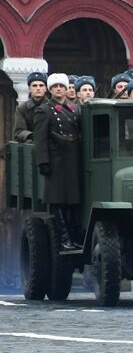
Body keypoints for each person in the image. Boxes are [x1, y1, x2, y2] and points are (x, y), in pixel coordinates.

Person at [33, 73, 82, 251]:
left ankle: (75, 237)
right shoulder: (44, 110)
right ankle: (63, 238)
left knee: (73, 202)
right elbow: (40, 139)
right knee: (58, 202)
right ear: (50, 89)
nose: (59, 89)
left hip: (73, 159)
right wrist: (43, 162)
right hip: (56, 161)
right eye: (55, 87)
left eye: (62, 86)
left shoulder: (74, 109)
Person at [12, 71, 48, 142]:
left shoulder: (52, 106)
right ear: (29, 88)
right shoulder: (22, 108)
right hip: (31, 143)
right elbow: (19, 132)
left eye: (41, 85)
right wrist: (32, 136)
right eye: (34, 85)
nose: (38, 88)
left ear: (45, 88)